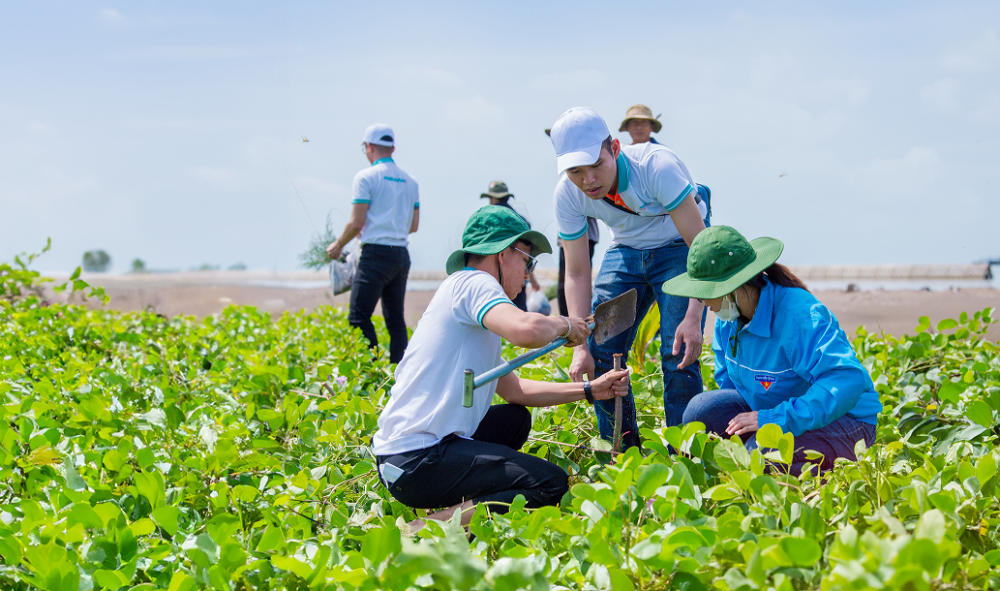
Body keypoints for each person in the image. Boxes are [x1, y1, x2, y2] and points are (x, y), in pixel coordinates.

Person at [373, 206, 630, 529]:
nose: (528, 274)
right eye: (527, 260)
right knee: (549, 484)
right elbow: (525, 330)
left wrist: (590, 390)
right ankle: (425, 529)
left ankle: (459, 506)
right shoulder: (474, 283)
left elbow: (516, 390)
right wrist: (565, 324)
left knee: (515, 420)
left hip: (408, 456)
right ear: (503, 254)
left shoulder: (472, 310)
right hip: (416, 459)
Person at [550, 107, 710, 450]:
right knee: (600, 351)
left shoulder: (656, 167)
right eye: (576, 171)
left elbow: (700, 247)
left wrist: (694, 316)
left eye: (597, 165)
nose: (588, 180)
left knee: (678, 353)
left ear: (615, 148)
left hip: (679, 245)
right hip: (626, 248)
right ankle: (623, 455)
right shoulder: (567, 193)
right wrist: (580, 347)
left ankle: (686, 456)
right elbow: (576, 272)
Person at [663, 226, 882, 476]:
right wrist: (749, 427)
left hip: (846, 421)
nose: (703, 303)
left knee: (758, 458)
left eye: (705, 294)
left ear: (733, 287)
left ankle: (823, 476)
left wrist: (773, 419)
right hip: (778, 412)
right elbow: (730, 387)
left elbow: (848, 380)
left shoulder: (800, 317)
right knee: (699, 411)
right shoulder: (728, 320)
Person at [327, 123, 419, 364]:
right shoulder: (411, 182)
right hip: (401, 255)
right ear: (393, 148)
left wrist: (338, 245)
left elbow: (356, 222)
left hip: (376, 254)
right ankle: (399, 373)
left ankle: (372, 369)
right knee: (395, 319)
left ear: (368, 147)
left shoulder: (365, 177)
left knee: (358, 317)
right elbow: (413, 226)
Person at [546, 128, 600, 318]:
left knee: (577, 279)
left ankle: (577, 321)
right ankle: (572, 324)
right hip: (568, 235)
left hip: (586, 235)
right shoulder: (564, 183)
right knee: (566, 282)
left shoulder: (589, 166)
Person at [479, 181, 540, 311]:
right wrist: (532, 278)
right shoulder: (521, 220)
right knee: (519, 311)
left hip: (497, 275)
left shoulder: (491, 219)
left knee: (496, 311)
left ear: (494, 198)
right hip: (519, 274)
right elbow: (527, 255)